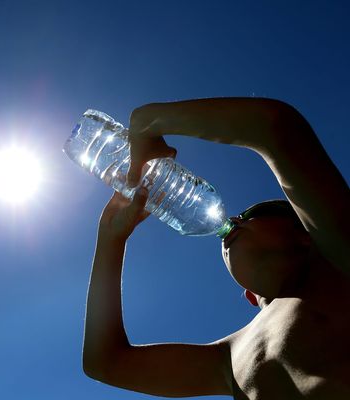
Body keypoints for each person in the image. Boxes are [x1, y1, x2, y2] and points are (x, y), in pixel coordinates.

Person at [82, 97, 350, 399]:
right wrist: (111, 239)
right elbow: (105, 363)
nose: (235, 219)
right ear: (249, 295)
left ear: (306, 234)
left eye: (251, 215)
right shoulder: (228, 356)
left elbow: (274, 127)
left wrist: (151, 120)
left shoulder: (338, 262)